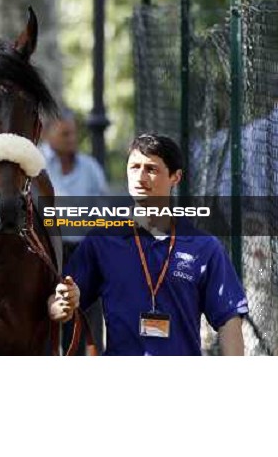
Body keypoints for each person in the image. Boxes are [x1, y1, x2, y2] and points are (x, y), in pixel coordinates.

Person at [65, 133, 248, 356]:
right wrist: (62, 302)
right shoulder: (101, 241)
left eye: (151, 169)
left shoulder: (204, 247)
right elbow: (59, 306)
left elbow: (229, 318)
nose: (140, 178)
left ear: (175, 177)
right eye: (134, 168)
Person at [41, 107, 109, 352]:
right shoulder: (36, 166)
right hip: (48, 254)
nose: (72, 139)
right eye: (65, 134)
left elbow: (103, 208)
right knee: (45, 316)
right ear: (48, 134)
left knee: (83, 317)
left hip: (82, 252)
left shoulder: (90, 168)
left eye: (73, 134)